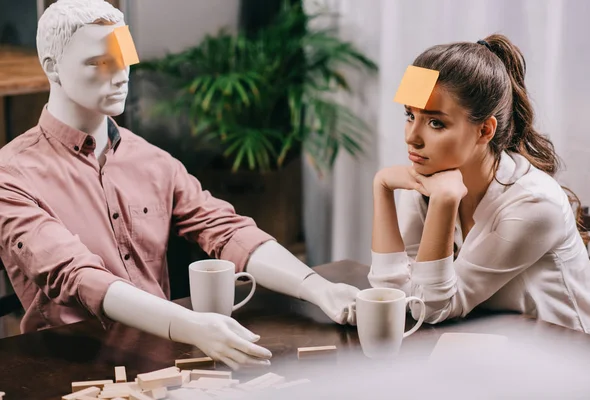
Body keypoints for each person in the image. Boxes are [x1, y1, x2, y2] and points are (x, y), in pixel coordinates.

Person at [0, 0, 359, 369]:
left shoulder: (152, 161)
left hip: (164, 361)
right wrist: (189, 326)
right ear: (53, 67)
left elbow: (225, 228)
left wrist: (319, 288)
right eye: (99, 61)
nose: (122, 74)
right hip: (70, 368)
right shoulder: (10, 176)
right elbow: (76, 275)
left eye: (124, 56)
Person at [370, 34, 590, 336]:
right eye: (410, 115)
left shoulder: (534, 203)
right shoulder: (430, 178)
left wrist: (444, 201)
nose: (411, 137)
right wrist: (382, 187)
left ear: (485, 130)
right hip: (498, 347)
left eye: (436, 122)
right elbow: (398, 298)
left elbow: (432, 308)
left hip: (576, 356)